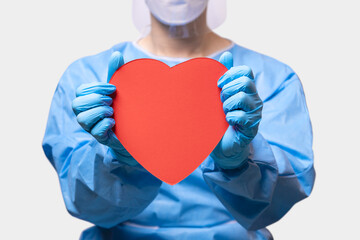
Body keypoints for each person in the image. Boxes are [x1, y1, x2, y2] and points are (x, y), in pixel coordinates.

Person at [42, 0, 315, 239]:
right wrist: (118, 159)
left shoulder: (274, 78)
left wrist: (239, 162)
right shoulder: (86, 76)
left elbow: (283, 196)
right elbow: (83, 202)